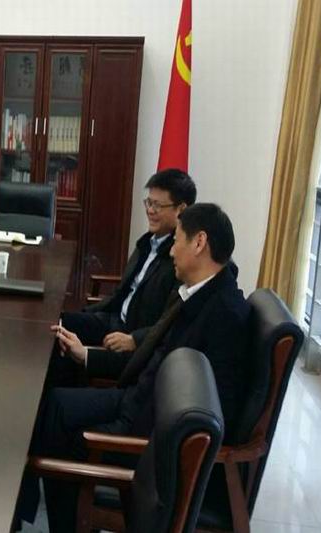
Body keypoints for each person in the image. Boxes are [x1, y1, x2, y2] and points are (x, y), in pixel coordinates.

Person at [32, 203, 250, 532]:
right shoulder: (195, 293)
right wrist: (87, 355)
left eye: (177, 241)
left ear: (199, 242)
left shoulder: (225, 315)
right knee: (54, 404)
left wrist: (137, 424)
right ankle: (27, 507)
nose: (171, 251)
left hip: (150, 432)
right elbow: (150, 356)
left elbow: (216, 411)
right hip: (139, 399)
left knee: (63, 439)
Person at [45, 169, 196, 390]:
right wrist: (88, 313)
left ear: (181, 209)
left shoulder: (180, 261)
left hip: (132, 333)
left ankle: (60, 398)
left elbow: (169, 323)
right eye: (148, 203)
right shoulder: (148, 243)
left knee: (60, 350)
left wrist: (135, 338)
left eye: (158, 206)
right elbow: (121, 294)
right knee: (56, 325)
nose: (150, 211)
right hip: (114, 319)